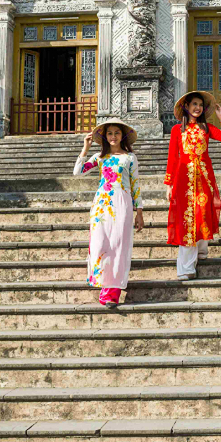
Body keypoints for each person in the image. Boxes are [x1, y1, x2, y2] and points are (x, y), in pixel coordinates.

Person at [73, 119, 144, 308]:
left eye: (117, 133)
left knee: (118, 246)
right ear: (105, 137)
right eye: (110, 133)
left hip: (123, 203)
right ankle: (102, 282)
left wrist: (140, 212)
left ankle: (112, 291)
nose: (113, 137)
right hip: (101, 205)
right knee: (100, 243)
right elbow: (78, 172)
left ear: (123, 136)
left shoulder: (129, 158)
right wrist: (85, 148)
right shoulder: (99, 157)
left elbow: (135, 185)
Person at [164, 91, 221, 280]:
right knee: (187, 220)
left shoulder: (207, 128)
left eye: (200, 105)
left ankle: (201, 251)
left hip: (204, 179)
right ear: (186, 106)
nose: (197, 108)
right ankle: (185, 268)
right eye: (194, 104)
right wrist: (169, 183)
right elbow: (173, 157)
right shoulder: (177, 130)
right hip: (183, 181)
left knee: (202, 213)